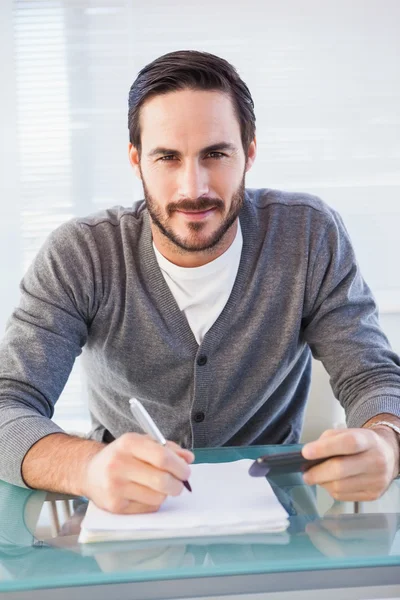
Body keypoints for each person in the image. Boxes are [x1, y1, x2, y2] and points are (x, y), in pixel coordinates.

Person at [0, 50, 399, 515]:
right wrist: (87, 468)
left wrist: (386, 443)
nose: (194, 188)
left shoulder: (309, 236)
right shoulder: (80, 254)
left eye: (216, 154)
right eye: (167, 157)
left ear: (249, 153)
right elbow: (10, 402)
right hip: (126, 518)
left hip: (275, 519)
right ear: (136, 161)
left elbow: (372, 376)